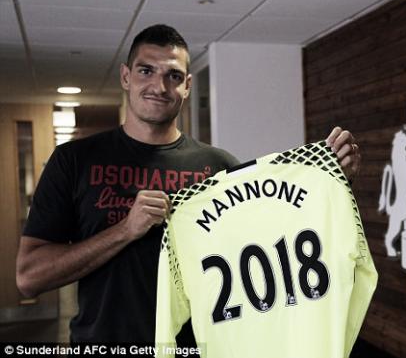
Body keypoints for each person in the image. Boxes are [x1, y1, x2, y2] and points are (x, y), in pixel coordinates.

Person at [15, 24, 361, 344]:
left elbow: (273, 246)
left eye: (173, 75)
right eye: (146, 71)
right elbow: (30, 276)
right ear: (126, 76)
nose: (159, 86)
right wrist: (125, 230)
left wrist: (329, 184)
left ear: (187, 85)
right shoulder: (74, 161)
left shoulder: (220, 166)